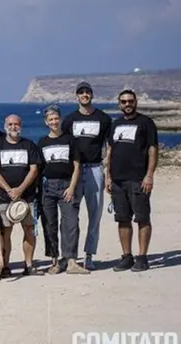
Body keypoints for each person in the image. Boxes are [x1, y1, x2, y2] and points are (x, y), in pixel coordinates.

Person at [61, 81, 113, 270]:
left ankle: (89, 255)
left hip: (95, 169)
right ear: (77, 96)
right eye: (81, 92)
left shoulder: (104, 119)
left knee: (95, 214)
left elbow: (110, 146)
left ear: (92, 95)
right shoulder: (69, 120)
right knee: (70, 215)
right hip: (74, 171)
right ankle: (70, 257)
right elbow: (62, 144)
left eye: (87, 92)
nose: (84, 95)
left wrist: (108, 174)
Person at [106, 89, 159, 272]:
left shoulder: (146, 123)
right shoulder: (115, 124)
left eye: (130, 101)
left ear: (135, 102)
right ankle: (126, 256)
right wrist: (108, 176)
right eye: (123, 102)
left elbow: (153, 149)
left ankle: (142, 257)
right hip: (118, 181)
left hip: (138, 179)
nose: (127, 104)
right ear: (119, 104)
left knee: (142, 218)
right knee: (122, 219)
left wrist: (149, 174)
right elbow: (110, 151)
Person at [0, 114, 43, 276]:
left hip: (27, 197)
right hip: (3, 197)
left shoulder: (29, 145)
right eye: (10, 124)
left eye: (16, 124)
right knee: (6, 232)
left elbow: (34, 170)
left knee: (29, 230)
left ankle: (28, 265)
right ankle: (5, 266)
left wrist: (20, 189)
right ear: (5, 126)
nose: (13, 127)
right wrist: (8, 190)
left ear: (21, 125)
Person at [38, 105, 89, 275]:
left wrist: (72, 187)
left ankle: (72, 261)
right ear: (46, 122)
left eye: (56, 118)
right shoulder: (42, 143)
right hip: (47, 188)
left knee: (71, 223)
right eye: (50, 119)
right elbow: (38, 169)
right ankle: (55, 261)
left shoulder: (70, 140)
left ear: (60, 119)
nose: (54, 122)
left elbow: (76, 166)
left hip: (66, 186)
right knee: (50, 225)